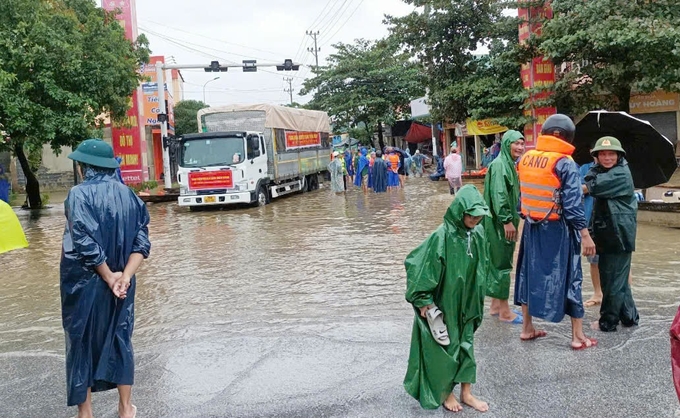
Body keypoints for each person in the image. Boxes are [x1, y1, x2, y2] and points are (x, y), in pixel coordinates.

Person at [60, 139, 150, 418]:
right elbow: (142, 242)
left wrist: (109, 275)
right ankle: (126, 409)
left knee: (81, 341)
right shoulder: (131, 196)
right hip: (122, 282)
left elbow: (84, 241)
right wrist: (124, 276)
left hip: (82, 283)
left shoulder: (78, 194)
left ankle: (85, 413)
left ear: (85, 166)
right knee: (120, 336)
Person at [404, 185, 491, 412]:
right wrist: (424, 301)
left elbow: (483, 266)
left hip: (469, 299)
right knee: (446, 346)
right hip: (446, 300)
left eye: (479, 214)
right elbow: (417, 264)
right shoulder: (441, 236)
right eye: (471, 214)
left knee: (467, 344)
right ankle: (446, 393)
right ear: (460, 211)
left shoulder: (478, 233)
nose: (475, 218)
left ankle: (467, 392)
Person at [514, 114, 598, 350]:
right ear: (563, 136)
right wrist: (585, 234)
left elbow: (521, 199)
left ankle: (527, 328)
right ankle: (578, 336)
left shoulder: (525, 159)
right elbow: (572, 205)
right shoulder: (565, 163)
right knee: (572, 277)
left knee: (527, 274)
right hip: (559, 229)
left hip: (532, 225)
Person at [584, 136, 639, 332]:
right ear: (597, 156)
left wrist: (595, 167)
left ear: (619, 155)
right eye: (603, 154)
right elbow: (592, 181)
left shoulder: (620, 174)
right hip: (609, 233)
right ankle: (629, 316)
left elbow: (592, 185)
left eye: (611, 154)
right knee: (619, 278)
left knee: (611, 279)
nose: (607, 158)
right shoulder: (607, 171)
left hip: (618, 234)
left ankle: (608, 322)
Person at [483, 130, 525, 324]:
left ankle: (495, 306)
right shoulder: (501, 166)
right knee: (502, 265)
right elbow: (500, 195)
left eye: (522, 144)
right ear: (507, 144)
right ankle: (505, 312)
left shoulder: (507, 165)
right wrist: (507, 221)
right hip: (500, 223)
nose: (520, 147)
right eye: (515, 143)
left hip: (497, 222)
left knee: (496, 261)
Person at [579, 152, 602, 307]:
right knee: (593, 259)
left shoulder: (619, 167)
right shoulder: (585, 167)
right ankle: (598, 293)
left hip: (611, 220)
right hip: (590, 217)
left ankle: (623, 293)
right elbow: (578, 189)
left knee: (620, 261)